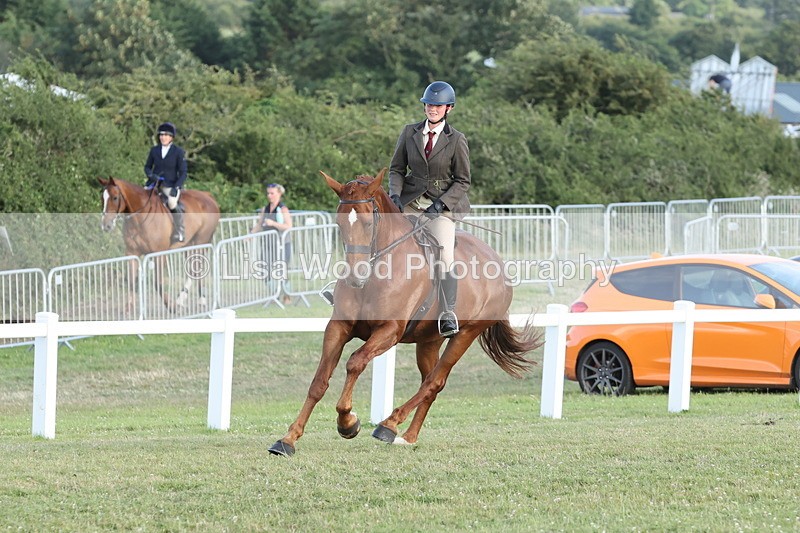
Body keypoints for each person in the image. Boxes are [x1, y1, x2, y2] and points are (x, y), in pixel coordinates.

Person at [388, 80, 471, 338]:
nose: (432, 109)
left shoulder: (456, 139)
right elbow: (397, 169)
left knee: (444, 255)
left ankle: (448, 312)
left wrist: (442, 204)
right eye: (428, 104)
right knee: (376, 234)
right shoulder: (409, 132)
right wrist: (395, 195)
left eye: (437, 105)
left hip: (441, 207)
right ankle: (344, 288)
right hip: (411, 201)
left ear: (448, 108)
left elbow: (463, 180)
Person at [144, 122, 187, 242]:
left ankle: (179, 230)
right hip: (154, 184)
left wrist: (177, 187)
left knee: (172, 203)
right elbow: (147, 167)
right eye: (161, 135)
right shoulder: (154, 150)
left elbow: (183, 172)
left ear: (171, 137)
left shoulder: (178, 152)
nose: (163, 137)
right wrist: (151, 175)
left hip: (170, 185)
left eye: (166, 135)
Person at [250, 183, 293, 303]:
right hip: (268, 245)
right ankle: (275, 293)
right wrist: (250, 235)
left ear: (279, 193)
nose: (269, 196)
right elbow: (259, 225)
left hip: (282, 244)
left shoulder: (283, 209)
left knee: (281, 271)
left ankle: (286, 296)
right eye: (268, 193)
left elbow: (288, 226)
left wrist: (273, 224)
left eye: (272, 193)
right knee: (263, 270)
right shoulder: (265, 209)